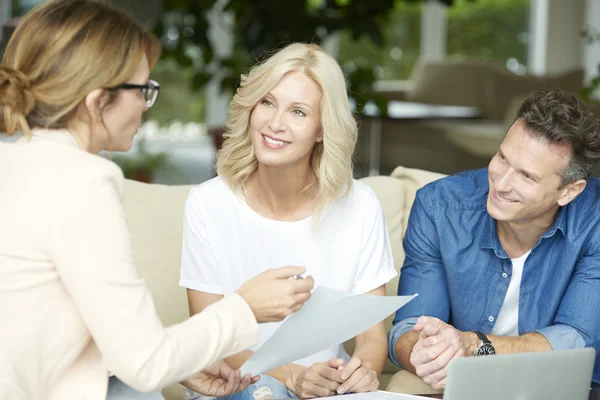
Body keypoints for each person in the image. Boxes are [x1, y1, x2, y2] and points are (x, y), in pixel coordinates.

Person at [0, 1, 314, 399]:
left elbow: (42, 330)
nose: (146, 107)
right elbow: (146, 365)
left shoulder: (14, 161)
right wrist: (245, 308)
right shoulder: (81, 182)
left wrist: (183, 359)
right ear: (98, 101)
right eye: (143, 90)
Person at [179, 42, 397, 400]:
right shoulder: (208, 203)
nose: (275, 123)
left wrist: (364, 371)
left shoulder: (360, 206)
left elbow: (372, 336)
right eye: (267, 102)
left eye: (298, 112)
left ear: (322, 129)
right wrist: (294, 376)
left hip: (325, 390)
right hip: (240, 385)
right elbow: (210, 336)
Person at [388, 88, 600, 390]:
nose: (501, 183)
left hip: (558, 385)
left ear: (569, 191)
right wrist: (424, 353)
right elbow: (408, 328)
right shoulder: (438, 208)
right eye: (502, 157)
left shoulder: (594, 220)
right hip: (462, 379)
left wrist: (473, 345)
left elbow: (577, 340)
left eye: (526, 176)